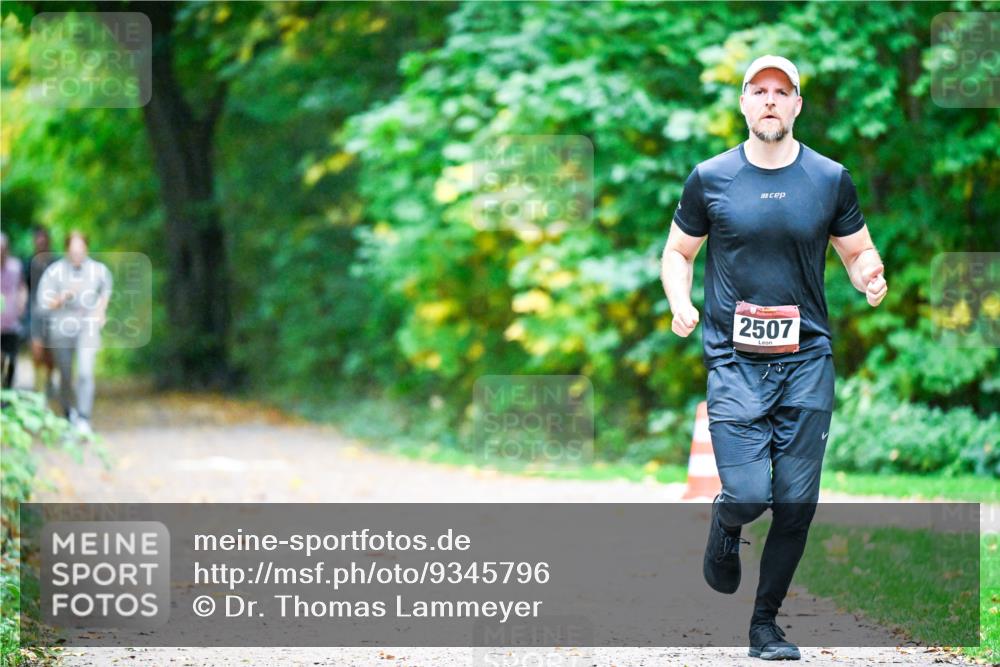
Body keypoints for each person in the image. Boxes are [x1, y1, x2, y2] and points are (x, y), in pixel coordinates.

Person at [660, 55, 887, 661]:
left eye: (780, 92)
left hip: (807, 358)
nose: (768, 101)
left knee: (795, 501)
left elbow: (857, 250)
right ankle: (725, 523)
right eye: (757, 91)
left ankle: (765, 625)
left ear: (796, 105)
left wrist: (870, 275)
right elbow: (678, 252)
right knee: (749, 493)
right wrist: (680, 301)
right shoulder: (710, 177)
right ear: (742, 102)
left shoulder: (829, 178)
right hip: (735, 360)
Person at [36, 231, 113, 435]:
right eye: (73, 250)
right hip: (61, 326)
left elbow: (105, 291)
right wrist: (62, 297)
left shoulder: (99, 270)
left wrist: (100, 311)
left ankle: (84, 417)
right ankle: (69, 414)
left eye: (80, 249)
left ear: (86, 248)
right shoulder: (54, 272)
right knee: (65, 374)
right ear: (67, 249)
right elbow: (44, 303)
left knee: (85, 372)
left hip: (87, 325)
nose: (77, 253)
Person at [25, 226, 59, 396]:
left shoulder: (56, 262)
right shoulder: (29, 262)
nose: (41, 242)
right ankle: (38, 385)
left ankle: (49, 380)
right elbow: (24, 287)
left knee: (50, 352)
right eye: (38, 239)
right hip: (34, 312)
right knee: (37, 350)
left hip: (53, 313)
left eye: (43, 238)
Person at [1, 233, 27, 388]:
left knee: (11, 361)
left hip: (11, 324)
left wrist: (22, 303)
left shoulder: (15, 266)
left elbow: (22, 286)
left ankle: (7, 395)